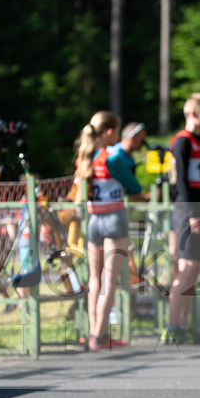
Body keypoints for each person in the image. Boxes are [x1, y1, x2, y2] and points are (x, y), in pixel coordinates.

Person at [75, 111, 142, 350]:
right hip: (114, 219)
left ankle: (93, 331)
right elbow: (134, 186)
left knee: (94, 279)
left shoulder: (84, 158)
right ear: (110, 132)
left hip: (93, 221)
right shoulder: (112, 159)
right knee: (109, 280)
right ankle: (100, 335)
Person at [162, 94, 200, 345]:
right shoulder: (182, 141)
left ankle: (183, 325)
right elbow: (182, 181)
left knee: (195, 269)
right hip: (188, 211)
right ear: (193, 114)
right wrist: (194, 214)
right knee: (185, 270)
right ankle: (172, 326)